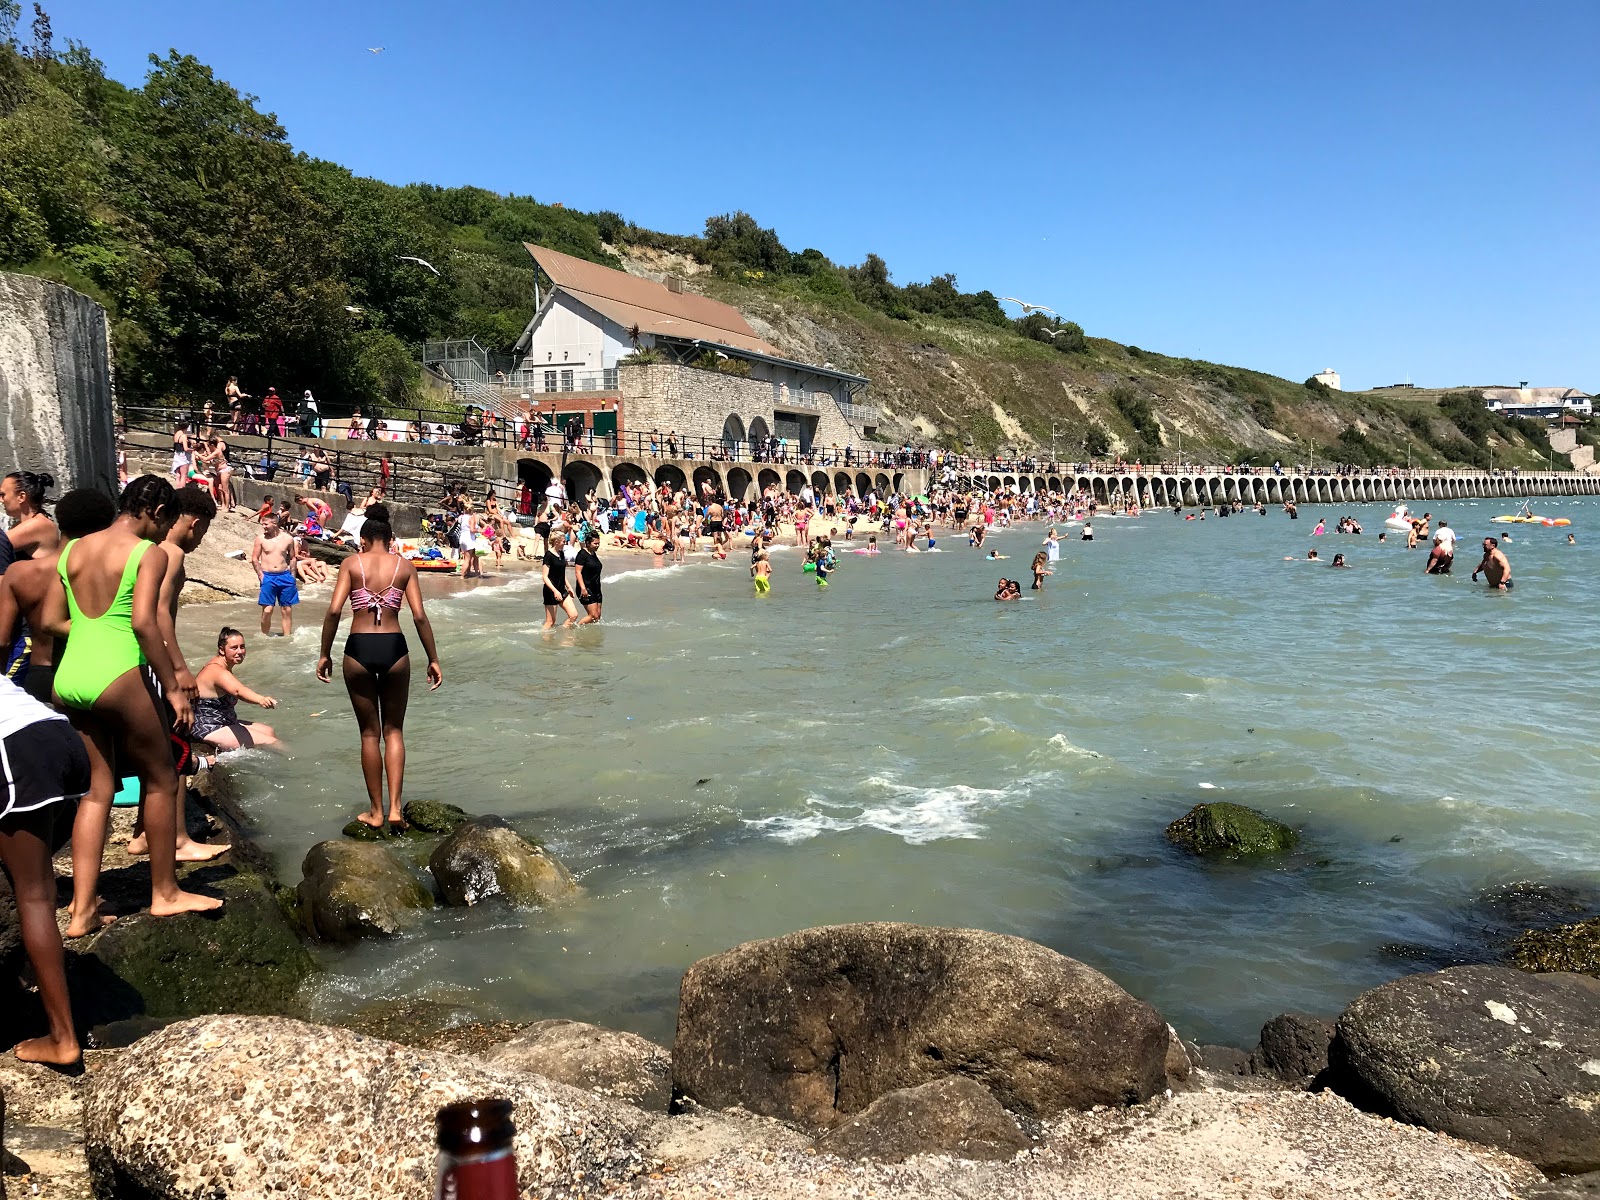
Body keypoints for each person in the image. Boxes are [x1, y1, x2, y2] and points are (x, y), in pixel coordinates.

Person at [42, 474, 221, 934]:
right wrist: (174, 685)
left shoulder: (74, 549)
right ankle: (165, 893)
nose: (164, 533)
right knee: (161, 777)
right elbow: (144, 623)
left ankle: (82, 910)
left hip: (71, 678)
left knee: (96, 790)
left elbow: (49, 620)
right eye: (166, 522)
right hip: (119, 673)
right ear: (157, 512)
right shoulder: (148, 553)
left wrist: (89, 633)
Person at [316, 504, 442, 830]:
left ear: (363, 538)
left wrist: (324, 653)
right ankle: (396, 809)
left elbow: (332, 612)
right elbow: (418, 616)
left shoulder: (350, 564)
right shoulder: (405, 567)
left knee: (369, 734)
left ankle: (375, 812)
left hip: (358, 648)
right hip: (394, 649)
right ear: (391, 537)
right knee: (394, 730)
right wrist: (433, 658)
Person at [0, 673, 92, 1066]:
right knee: (33, 875)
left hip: (15, 746)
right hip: (57, 733)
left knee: (34, 895)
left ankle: (63, 1039)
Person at [0, 489, 116, 703]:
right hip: (85, 676)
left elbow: (2, 641)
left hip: (35, 676)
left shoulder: (18, 572)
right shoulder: (106, 574)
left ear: (60, 522)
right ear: (103, 529)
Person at [191, 628, 280, 751]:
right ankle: (295, 761)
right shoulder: (217, 670)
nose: (240, 651)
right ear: (222, 650)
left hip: (226, 721)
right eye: (234, 648)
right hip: (209, 727)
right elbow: (238, 690)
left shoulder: (224, 666)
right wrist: (261, 699)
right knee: (273, 743)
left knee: (269, 731)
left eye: (242, 647)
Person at [251, 510, 299, 636]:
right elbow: (254, 558)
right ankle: (264, 636)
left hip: (285, 576)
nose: (263, 527)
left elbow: (293, 557)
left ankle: (287, 639)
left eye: (266, 524)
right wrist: (260, 575)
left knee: (286, 610)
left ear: (274, 523)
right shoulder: (260, 539)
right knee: (267, 610)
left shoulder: (288, 539)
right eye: (263, 524)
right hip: (268, 576)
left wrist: (293, 576)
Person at [2, 471, 59, 561]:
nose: (1, 500)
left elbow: (2, 544)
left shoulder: (38, 524)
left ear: (21, 497)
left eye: (2, 495)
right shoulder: (22, 524)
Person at [541, 531, 580, 629]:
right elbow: (545, 577)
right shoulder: (548, 555)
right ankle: (545, 640)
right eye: (564, 541)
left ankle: (562, 634)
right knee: (550, 622)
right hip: (551, 591)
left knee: (573, 615)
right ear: (557, 542)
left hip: (562, 589)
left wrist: (569, 587)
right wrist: (555, 591)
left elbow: (562, 573)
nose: (565, 543)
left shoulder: (561, 554)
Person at [574, 530, 604, 623]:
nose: (597, 545)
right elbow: (577, 572)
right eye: (595, 544)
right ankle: (575, 629)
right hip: (586, 588)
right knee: (593, 616)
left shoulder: (593, 554)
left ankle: (591, 637)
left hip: (596, 588)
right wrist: (583, 589)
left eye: (598, 543)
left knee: (597, 617)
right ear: (588, 543)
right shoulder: (582, 554)